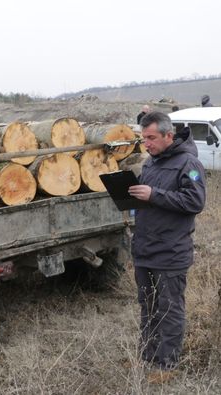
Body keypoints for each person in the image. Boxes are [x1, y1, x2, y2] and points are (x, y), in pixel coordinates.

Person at [128, 112, 206, 382]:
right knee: (147, 307)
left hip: (170, 253)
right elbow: (152, 202)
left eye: (151, 138)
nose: (146, 144)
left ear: (168, 136)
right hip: (145, 250)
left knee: (169, 310)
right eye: (143, 138)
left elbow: (194, 202)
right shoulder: (150, 164)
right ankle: (148, 356)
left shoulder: (189, 163)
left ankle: (166, 366)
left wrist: (154, 194)